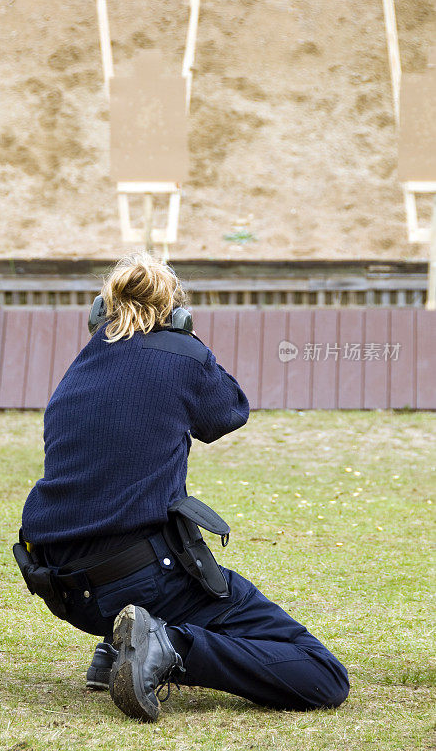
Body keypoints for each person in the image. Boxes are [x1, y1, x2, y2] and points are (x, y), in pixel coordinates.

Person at [19, 251, 349, 722]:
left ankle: (116, 649)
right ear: (176, 315)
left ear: (99, 312)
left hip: (65, 587)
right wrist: (191, 343)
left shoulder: (81, 366)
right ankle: (166, 644)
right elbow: (229, 412)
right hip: (139, 580)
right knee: (323, 675)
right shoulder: (183, 353)